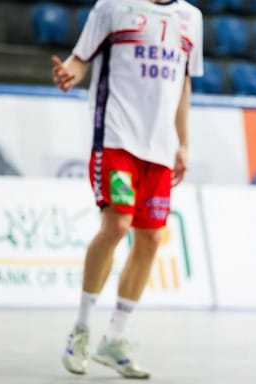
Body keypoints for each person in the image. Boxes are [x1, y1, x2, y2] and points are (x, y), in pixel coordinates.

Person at [53, 0, 203, 379]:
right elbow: (79, 58)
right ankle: (82, 329)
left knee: (151, 239)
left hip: (161, 147)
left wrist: (182, 142)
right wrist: (69, 73)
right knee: (117, 226)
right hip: (117, 138)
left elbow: (183, 82)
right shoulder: (112, 7)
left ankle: (115, 337)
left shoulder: (191, 18)